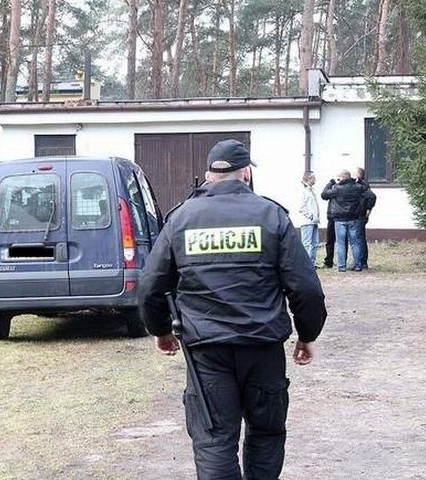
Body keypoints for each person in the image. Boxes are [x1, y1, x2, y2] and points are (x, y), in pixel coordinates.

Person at [137, 139, 327, 480]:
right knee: (266, 434)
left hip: (207, 353)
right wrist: (307, 334)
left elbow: (151, 285)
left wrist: (161, 331)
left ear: (209, 176)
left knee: (213, 440)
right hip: (263, 349)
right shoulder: (272, 216)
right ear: (246, 174)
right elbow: (306, 288)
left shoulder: (181, 218)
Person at [320, 169, 368, 272]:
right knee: (355, 243)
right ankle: (358, 265)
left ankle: (341, 266)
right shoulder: (357, 187)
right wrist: (359, 180)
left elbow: (324, 195)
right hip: (353, 218)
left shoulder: (337, 188)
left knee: (340, 243)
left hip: (340, 219)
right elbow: (366, 188)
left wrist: (331, 183)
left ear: (341, 178)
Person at [353, 167, 377, 269]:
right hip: (360, 215)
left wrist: (368, 210)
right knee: (359, 238)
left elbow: (372, 196)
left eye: (354, 172)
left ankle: (362, 261)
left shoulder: (361, 185)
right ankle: (361, 261)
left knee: (359, 238)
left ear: (358, 175)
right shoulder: (362, 185)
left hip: (360, 215)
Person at [298, 171, 320, 266]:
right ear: (308, 179)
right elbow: (301, 207)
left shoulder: (312, 190)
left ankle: (312, 262)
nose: (315, 180)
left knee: (315, 243)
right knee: (307, 243)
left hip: (314, 221)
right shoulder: (302, 191)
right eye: (313, 178)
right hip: (307, 221)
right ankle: (305, 263)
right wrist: (309, 216)